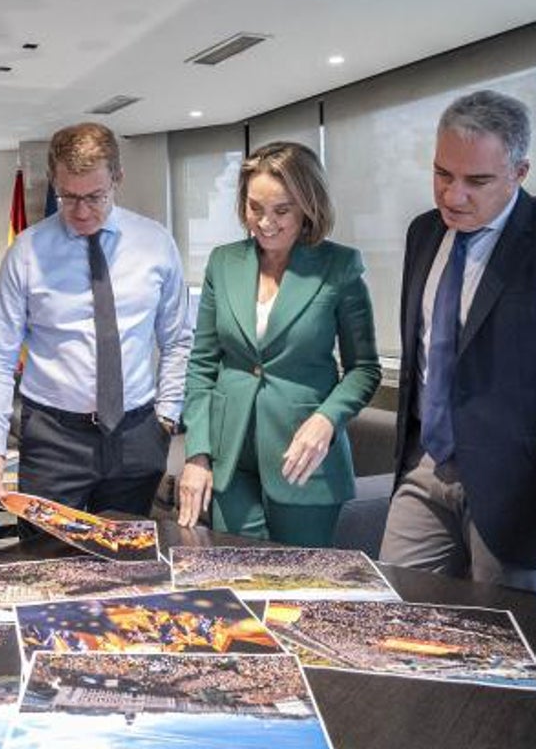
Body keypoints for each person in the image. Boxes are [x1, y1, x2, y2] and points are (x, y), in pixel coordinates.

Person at [0, 122, 192, 526]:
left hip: (137, 433)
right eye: (68, 197)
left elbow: (178, 340)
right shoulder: (26, 252)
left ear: (117, 179)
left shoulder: (156, 244)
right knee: (43, 565)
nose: (81, 211)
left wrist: (166, 415)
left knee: (130, 564)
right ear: (55, 181)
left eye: (95, 196)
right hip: (55, 439)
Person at [176, 141, 381, 546]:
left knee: (299, 595)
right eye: (255, 208)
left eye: (281, 210)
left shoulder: (339, 267)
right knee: (232, 581)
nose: (265, 223)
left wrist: (327, 419)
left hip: (303, 460)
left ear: (308, 205)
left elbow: (364, 368)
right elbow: (202, 365)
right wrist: (197, 454)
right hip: (229, 458)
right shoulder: (222, 262)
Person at [380, 90, 535, 590]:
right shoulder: (423, 233)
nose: (452, 196)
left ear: (520, 172)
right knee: (391, 613)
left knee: (504, 644)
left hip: (515, 489)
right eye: (443, 174)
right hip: (426, 464)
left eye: (477, 180)